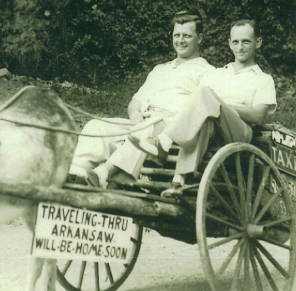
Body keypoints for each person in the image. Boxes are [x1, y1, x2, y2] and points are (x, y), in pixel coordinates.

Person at [68, 10, 215, 187]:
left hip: (168, 131)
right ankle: (75, 174)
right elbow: (136, 100)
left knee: (145, 131)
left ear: (199, 38)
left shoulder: (207, 72)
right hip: (143, 124)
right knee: (96, 126)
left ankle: (102, 174)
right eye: (177, 35)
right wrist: (135, 114)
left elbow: (198, 110)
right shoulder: (160, 70)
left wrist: (158, 123)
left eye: (187, 36)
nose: (180, 41)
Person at [129, 18, 276, 189]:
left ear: (257, 43)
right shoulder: (218, 73)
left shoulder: (263, 79)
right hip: (213, 126)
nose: (240, 47)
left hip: (240, 132)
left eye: (246, 42)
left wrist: (221, 104)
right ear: (229, 43)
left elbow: (258, 116)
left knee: (205, 95)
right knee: (203, 114)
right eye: (235, 42)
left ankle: (164, 141)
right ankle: (179, 179)